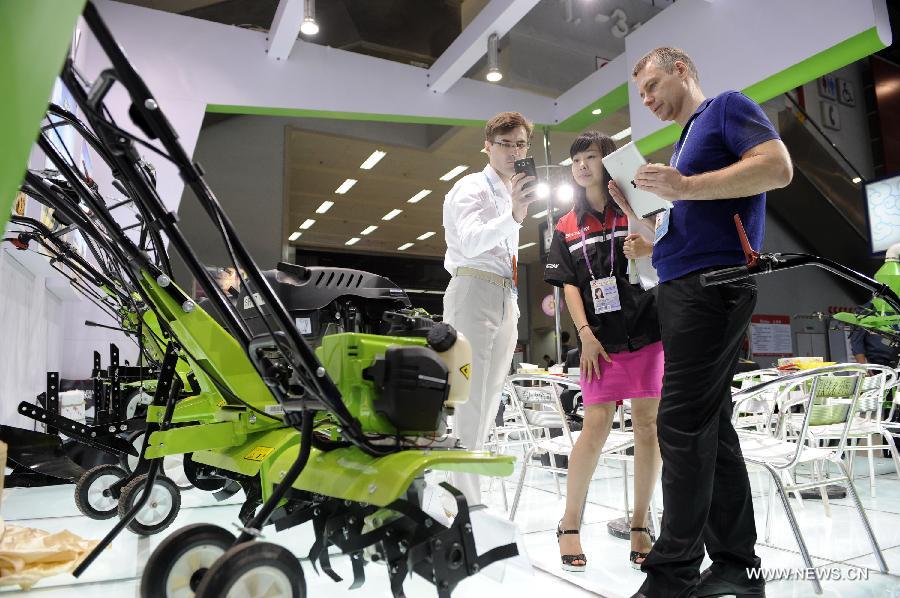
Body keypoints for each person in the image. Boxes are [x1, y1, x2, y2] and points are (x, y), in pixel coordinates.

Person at [616, 48, 792, 598]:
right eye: (641, 93)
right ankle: (738, 566)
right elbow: (686, 225)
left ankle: (674, 572)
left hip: (712, 286)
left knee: (680, 421)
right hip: (684, 287)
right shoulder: (684, 142)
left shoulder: (725, 108)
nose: (647, 100)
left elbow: (777, 168)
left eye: (651, 85)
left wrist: (685, 187)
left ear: (681, 70)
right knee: (712, 430)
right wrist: (642, 221)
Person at [544, 130, 663, 573]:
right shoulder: (565, 226)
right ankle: (569, 523)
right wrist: (585, 335)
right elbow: (569, 284)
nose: (581, 166)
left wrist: (645, 238)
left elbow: (667, 247)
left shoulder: (637, 205)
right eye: (576, 160)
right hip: (598, 341)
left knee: (647, 428)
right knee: (594, 426)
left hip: (647, 331)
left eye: (590, 157)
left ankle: (640, 523)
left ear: (608, 161)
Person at [442, 111, 538, 508]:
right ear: (488, 146)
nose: (514, 152)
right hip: (473, 287)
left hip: (505, 294)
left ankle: (462, 497)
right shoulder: (471, 186)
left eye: (521, 144)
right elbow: (469, 241)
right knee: (469, 399)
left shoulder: (510, 192)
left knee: (490, 398)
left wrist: (514, 209)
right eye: (506, 144)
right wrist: (513, 214)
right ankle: (466, 504)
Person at [850, 302, 900, 366]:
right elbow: (857, 342)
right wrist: (864, 367)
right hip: (880, 363)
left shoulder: (896, 307)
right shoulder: (865, 309)